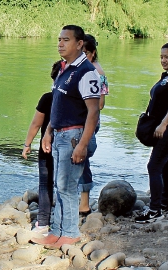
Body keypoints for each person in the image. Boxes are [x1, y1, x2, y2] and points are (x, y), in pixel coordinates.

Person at [32, 25, 101, 249]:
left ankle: (70, 233)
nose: (60, 44)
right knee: (59, 185)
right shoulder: (64, 68)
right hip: (60, 134)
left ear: (80, 44)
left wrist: (82, 145)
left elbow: (93, 111)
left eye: (66, 40)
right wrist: (49, 131)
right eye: (59, 39)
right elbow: (59, 105)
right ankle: (57, 230)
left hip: (74, 136)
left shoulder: (87, 72)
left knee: (68, 187)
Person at [135, 40, 168, 223]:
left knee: (154, 166)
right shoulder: (167, 75)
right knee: (165, 165)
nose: (163, 60)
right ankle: (165, 203)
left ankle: (154, 210)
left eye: (167, 57)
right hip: (165, 129)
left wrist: (163, 124)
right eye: (161, 57)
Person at [22, 60, 63, 235]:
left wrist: (27, 144)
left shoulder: (48, 98)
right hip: (67, 146)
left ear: (53, 77)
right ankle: (63, 221)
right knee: (65, 186)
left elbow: (35, 123)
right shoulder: (73, 100)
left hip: (46, 147)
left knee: (45, 184)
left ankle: (43, 222)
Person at [78, 34, 109, 217]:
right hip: (82, 121)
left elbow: (101, 104)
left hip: (87, 122)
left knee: (81, 160)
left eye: (84, 53)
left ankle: (83, 203)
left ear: (92, 52)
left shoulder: (97, 72)